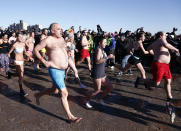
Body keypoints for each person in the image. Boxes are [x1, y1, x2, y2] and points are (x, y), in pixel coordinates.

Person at [34, 23, 82, 123]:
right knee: (64, 93)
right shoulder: (47, 40)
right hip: (54, 69)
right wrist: (44, 61)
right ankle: (71, 117)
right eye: (58, 29)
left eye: (61, 29)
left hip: (63, 70)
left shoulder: (62, 39)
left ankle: (38, 95)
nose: (61, 30)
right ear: (52, 30)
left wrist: (74, 69)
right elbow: (36, 49)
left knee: (54, 90)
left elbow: (65, 54)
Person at [147, 31, 179, 120]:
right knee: (156, 83)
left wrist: (155, 53)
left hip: (165, 65)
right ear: (161, 35)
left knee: (168, 80)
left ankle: (169, 97)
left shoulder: (156, 42)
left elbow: (149, 48)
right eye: (165, 35)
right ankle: (142, 80)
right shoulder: (161, 40)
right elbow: (167, 46)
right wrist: (176, 49)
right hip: (159, 64)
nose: (166, 36)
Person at [85, 37, 114, 108]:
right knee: (97, 90)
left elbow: (102, 60)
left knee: (110, 87)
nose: (106, 43)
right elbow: (97, 61)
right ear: (99, 43)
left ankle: (99, 99)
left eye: (106, 42)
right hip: (97, 73)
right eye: (104, 42)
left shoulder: (101, 49)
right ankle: (86, 100)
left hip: (102, 73)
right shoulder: (98, 49)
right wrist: (107, 57)